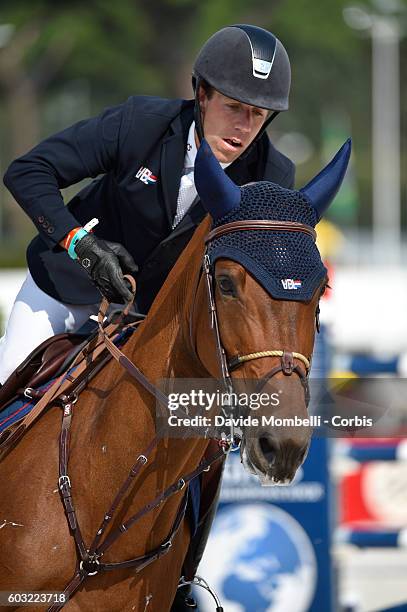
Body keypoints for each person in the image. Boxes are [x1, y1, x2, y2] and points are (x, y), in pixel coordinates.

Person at [0, 24, 294, 610]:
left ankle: (182, 578)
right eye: (234, 107)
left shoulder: (270, 177)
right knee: (5, 395)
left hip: (151, 323)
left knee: (203, 444)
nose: (244, 127)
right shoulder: (141, 124)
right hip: (66, 291)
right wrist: (81, 243)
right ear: (202, 93)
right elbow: (27, 171)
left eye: (258, 115)